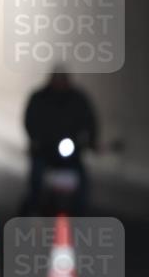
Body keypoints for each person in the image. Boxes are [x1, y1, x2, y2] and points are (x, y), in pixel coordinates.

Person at [20, 71, 98, 215]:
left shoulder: (78, 99)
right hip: (45, 150)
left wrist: (91, 141)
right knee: (36, 179)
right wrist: (36, 139)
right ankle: (31, 210)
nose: (60, 84)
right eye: (57, 80)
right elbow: (29, 120)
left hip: (71, 152)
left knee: (82, 181)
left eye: (63, 81)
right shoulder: (39, 98)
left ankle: (81, 212)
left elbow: (90, 121)